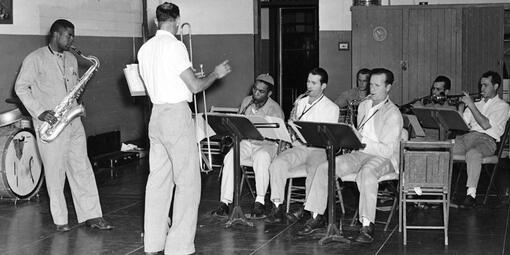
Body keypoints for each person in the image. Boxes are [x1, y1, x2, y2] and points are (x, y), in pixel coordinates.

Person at [137, 3, 231, 254]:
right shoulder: (176, 46)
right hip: (176, 116)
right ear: (176, 20)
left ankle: (154, 242)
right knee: (187, 182)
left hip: (155, 115)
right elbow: (196, 87)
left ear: (156, 21)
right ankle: (179, 246)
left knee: (157, 181)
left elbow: (158, 83)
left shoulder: (145, 49)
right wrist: (215, 73)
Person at [15, 19, 113, 232]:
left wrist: (79, 100)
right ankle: (61, 221)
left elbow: (73, 87)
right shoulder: (35, 59)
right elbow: (21, 88)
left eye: (72, 36)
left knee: (82, 169)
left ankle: (92, 216)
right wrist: (40, 111)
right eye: (68, 35)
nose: (72, 40)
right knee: (55, 172)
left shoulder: (71, 59)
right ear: (56, 34)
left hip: (73, 121)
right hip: (50, 124)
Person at [298, 68, 403, 244]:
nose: (372, 89)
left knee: (367, 173)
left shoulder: (393, 113)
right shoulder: (363, 105)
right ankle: (317, 216)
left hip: (384, 158)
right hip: (361, 152)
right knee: (325, 167)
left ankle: (367, 225)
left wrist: (362, 139)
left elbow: (386, 151)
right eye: (371, 85)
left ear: (388, 87)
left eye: (377, 85)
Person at [265, 67, 339, 223]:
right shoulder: (300, 102)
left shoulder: (331, 108)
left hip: (318, 149)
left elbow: (327, 137)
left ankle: (313, 213)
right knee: (277, 164)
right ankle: (277, 206)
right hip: (298, 146)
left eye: (313, 83)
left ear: (323, 86)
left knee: (316, 171)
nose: (309, 86)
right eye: (308, 81)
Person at [211, 74, 284, 219]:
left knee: (261, 157)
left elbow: (278, 135)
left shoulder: (275, 109)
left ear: (269, 93)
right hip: (247, 141)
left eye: (261, 91)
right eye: (255, 89)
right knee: (231, 156)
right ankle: (225, 203)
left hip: (266, 144)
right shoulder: (246, 101)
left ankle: (260, 202)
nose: (256, 93)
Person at [454, 71, 510, 208]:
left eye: (485, 85)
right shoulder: (477, 104)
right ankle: (432, 191)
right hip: (467, 137)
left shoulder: (503, 106)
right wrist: (461, 108)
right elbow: (463, 124)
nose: (481, 89)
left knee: (473, 154)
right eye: (481, 85)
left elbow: (485, 125)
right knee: (442, 148)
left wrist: (471, 105)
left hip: (487, 140)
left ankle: (471, 195)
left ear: (496, 86)